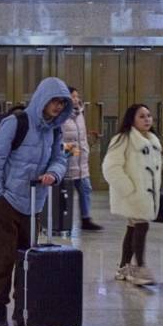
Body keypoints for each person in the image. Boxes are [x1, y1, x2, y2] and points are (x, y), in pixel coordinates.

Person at [0, 77, 72, 326]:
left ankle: (21, 309)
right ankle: (0, 308)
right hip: (7, 201)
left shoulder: (55, 129)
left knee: (27, 260)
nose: (58, 106)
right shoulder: (17, 122)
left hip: (34, 203)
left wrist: (53, 173)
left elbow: (60, 159)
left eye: (62, 103)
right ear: (43, 98)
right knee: (4, 259)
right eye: (54, 101)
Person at [102, 104, 163, 286]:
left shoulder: (152, 140)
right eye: (142, 116)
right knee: (141, 225)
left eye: (149, 116)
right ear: (132, 119)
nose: (147, 119)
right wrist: (128, 189)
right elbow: (110, 167)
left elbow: (161, 165)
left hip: (146, 195)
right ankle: (140, 268)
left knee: (133, 227)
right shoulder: (123, 139)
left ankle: (124, 267)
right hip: (133, 194)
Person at [62, 87, 103, 231]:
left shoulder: (80, 114)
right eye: (72, 96)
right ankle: (62, 220)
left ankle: (86, 218)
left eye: (77, 96)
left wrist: (85, 148)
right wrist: (74, 150)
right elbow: (58, 141)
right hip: (67, 163)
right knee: (64, 194)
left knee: (85, 189)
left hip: (81, 163)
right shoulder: (60, 116)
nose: (76, 99)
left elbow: (81, 137)